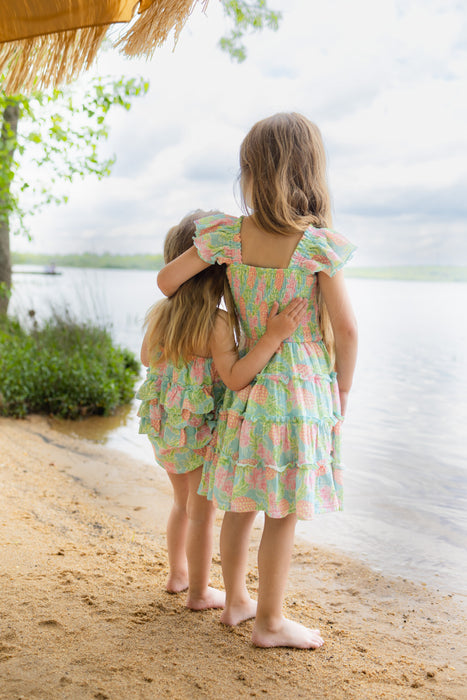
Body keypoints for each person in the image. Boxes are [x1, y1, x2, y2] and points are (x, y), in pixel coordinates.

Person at [156, 113, 358, 649]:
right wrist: (341, 392)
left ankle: (236, 602)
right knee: (283, 512)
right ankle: (269, 621)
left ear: (252, 170)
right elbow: (348, 329)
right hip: (298, 390)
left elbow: (168, 280)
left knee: (242, 503)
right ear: (309, 170)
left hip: (247, 391)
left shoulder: (228, 235)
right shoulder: (317, 245)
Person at [138, 209, 308, 612]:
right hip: (197, 430)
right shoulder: (216, 323)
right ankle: (198, 592)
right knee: (202, 511)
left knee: (181, 503)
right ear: (219, 272)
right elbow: (235, 377)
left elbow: (147, 358)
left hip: (165, 426)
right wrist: (272, 337)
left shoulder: (160, 315)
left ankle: (178, 573)